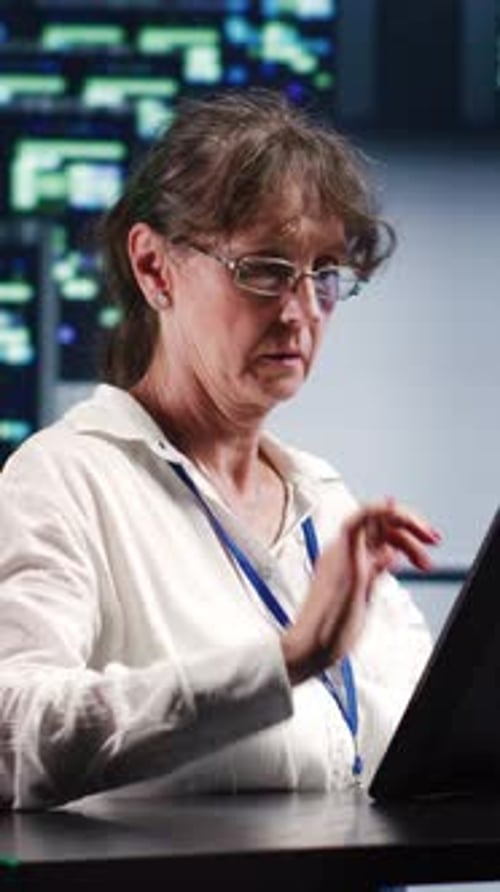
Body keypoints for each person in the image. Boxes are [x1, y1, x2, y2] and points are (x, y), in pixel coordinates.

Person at [0, 89, 440, 811]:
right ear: (154, 268)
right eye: (265, 268)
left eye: (324, 272)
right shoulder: (64, 480)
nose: (301, 311)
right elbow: (11, 737)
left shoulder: (326, 501)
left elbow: (422, 742)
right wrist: (286, 662)